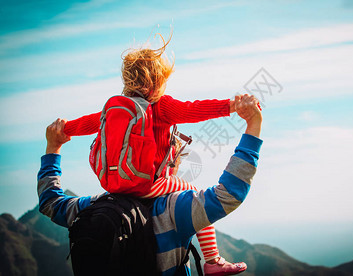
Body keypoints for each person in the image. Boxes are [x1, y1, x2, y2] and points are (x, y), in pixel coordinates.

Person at [61, 37, 243, 270]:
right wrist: (231, 106)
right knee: (195, 193)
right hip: (146, 185)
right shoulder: (162, 106)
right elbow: (194, 109)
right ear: (157, 81)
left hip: (115, 184)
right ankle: (213, 261)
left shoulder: (118, 109)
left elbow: (89, 123)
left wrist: (65, 130)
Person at [38, 94, 263, 276]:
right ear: (167, 159)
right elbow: (229, 194)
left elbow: (50, 202)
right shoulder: (175, 211)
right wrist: (253, 125)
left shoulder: (93, 208)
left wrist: (53, 147)